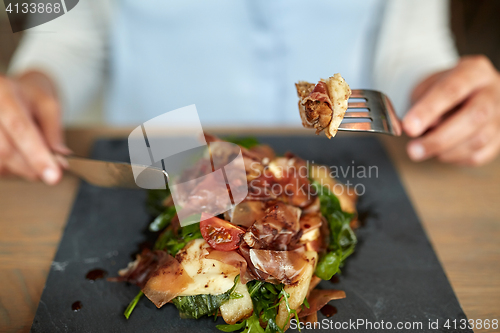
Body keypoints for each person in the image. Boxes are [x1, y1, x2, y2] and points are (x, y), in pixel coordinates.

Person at [0, 0, 499, 185]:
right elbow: (66, 33)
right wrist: (31, 85)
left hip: (340, 159)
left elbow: (410, 45)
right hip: (155, 164)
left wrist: (440, 91)